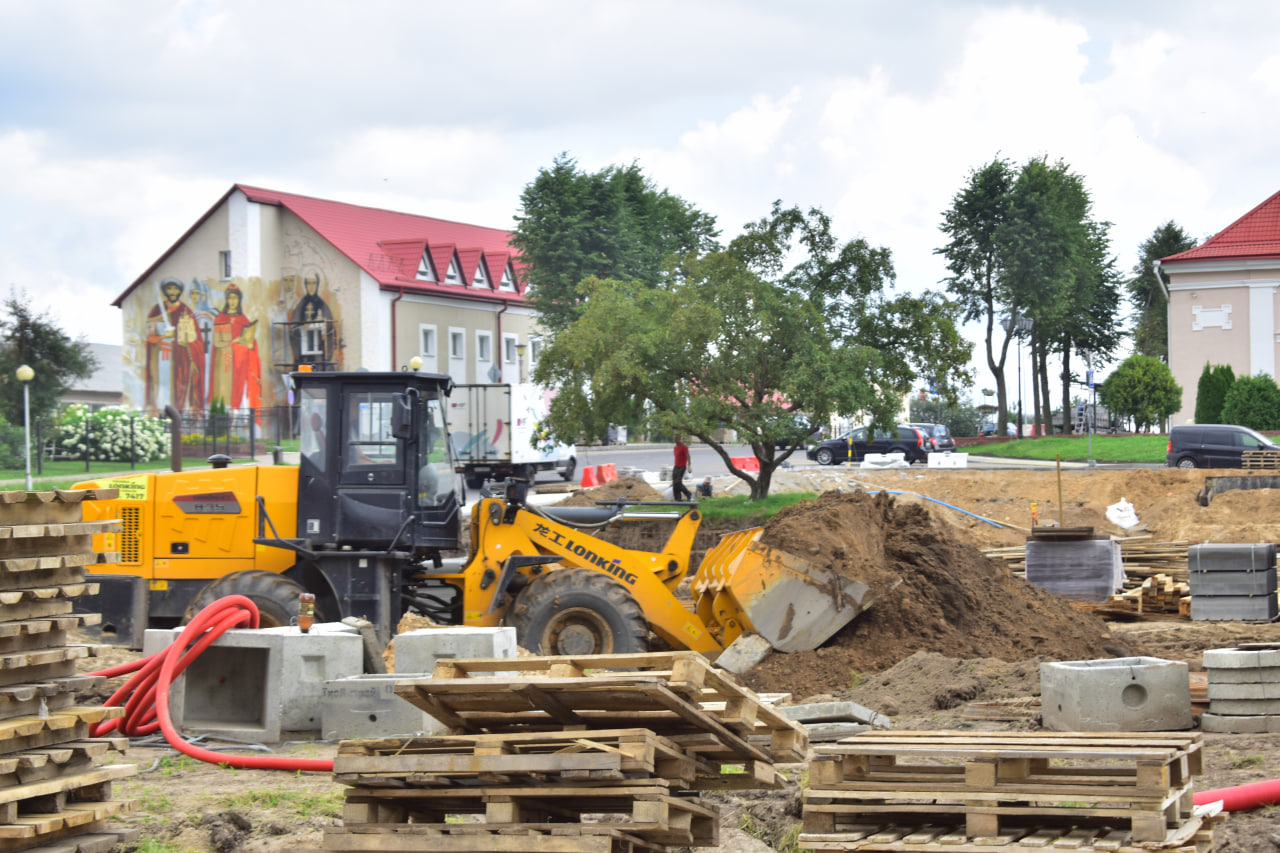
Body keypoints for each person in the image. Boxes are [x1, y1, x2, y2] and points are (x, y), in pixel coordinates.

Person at [672, 433, 692, 501]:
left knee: (678, 482)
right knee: (675, 483)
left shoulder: (684, 447)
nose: (674, 439)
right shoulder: (675, 448)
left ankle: (688, 493)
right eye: (674, 438)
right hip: (676, 466)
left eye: (676, 438)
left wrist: (689, 464)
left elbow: (688, 456)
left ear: (679, 439)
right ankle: (678, 498)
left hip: (682, 467)